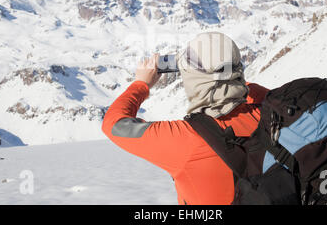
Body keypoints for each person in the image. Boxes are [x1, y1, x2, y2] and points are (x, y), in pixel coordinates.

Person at [102, 32, 269, 205]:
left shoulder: (185, 139)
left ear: (194, 79)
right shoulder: (271, 115)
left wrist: (141, 84)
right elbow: (259, 94)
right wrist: (231, 78)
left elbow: (113, 123)